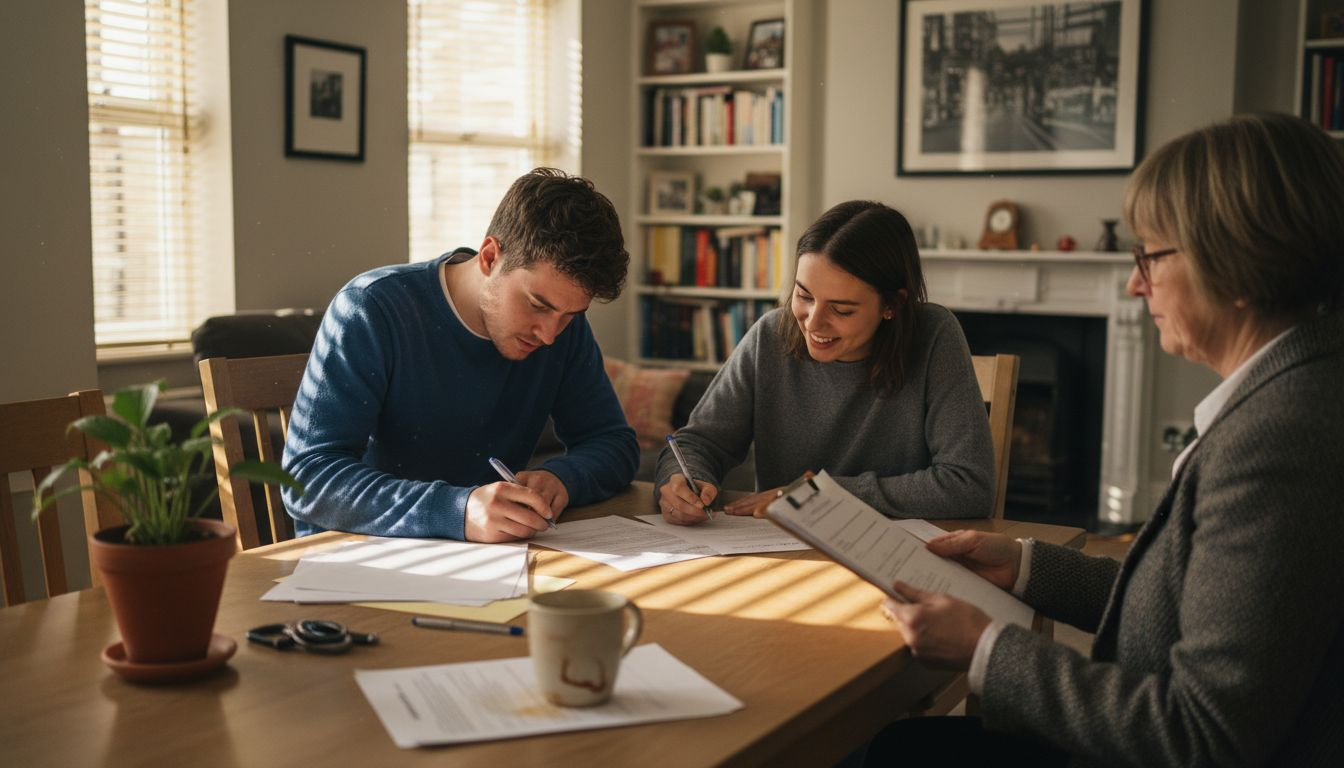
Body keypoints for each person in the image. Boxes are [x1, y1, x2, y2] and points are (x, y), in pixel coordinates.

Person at [868, 113, 1344, 766]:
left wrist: (984, 648)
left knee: (891, 753)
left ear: (1239, 260)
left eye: (1151, 255)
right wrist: (1026, 565)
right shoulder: (1296, 391)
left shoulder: (1281, 440)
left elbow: (1202, 734)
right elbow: (1187, 601)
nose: (1134, 282)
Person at [282, 168, 639, 543]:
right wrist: (458, 510)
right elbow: (307, 478)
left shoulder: (563, 331)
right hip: (361, 557)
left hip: (490, 561)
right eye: (537, 304)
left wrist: (564, 479)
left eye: (570, 315)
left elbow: (614, 443)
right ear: (489, 257)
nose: (550, 334)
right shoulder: (372, 308)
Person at [655, 200, 995, 523]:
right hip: (778, 549)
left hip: (894, 554)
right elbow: (697, 443)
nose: (813, 323)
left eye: (841, 309)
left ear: (892, 304)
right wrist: (684, 482)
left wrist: (817, 495)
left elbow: (969, 485)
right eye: (804, 296)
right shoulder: (770, 334)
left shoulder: (934, 335)